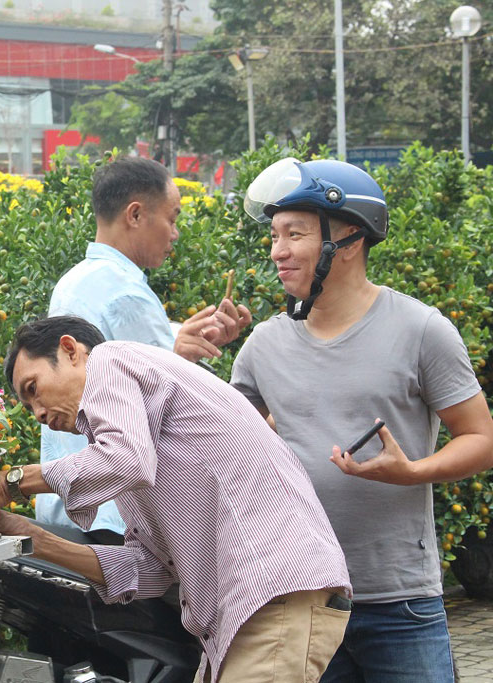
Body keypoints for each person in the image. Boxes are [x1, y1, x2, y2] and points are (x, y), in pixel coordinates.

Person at [230, 158, 493, 682]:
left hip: (400, 603)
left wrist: (414, 472)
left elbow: (481, 439)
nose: (277, 250)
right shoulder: (263, 345)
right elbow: (225, 449)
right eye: (276, 235)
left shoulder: (422, 329)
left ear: (347, 239)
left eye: (295, 234)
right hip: (299, 602)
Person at [0, 316, 353, 683]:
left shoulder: (108, 360)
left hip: (274, 594)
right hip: (253, 611)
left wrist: (16, 480)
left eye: (34, 388)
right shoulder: (130, 444)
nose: (39, 414)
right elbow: (150, 569)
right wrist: (34, 541)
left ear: (70, 350)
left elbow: (125, 459)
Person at [38, 157, 252, 536]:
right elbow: (169, 403)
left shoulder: (77, 281)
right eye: (172, 219)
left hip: (70, 499)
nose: (175, 233)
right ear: (135, 215)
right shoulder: (127, 293)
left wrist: (185, 340)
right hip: (113, 512)